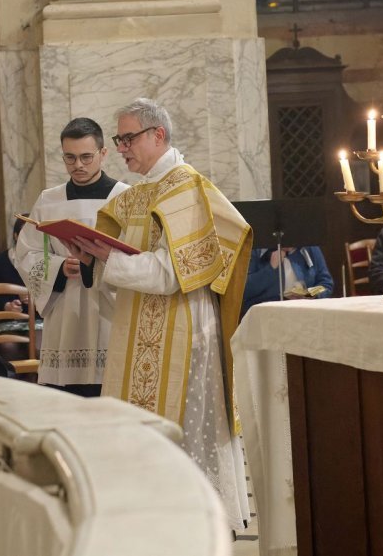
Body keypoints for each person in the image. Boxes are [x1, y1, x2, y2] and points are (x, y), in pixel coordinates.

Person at [72, 99, 251, 532]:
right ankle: (152, 518)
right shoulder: (134, 196)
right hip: (136, 329)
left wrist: (108, 260)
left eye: (127, 138)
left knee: (186, 430)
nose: (122, 148)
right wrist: (93, 258)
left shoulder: (185, 187)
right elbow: (123, 264)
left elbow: (174, 274)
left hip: (183, 330)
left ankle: (195, 520)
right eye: (118, 140)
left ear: (159, 135)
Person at [14, 117, 129, 396]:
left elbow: (134, 255)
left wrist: (96, 263)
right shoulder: (48, 200)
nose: (78, 165)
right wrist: (58, 267)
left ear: (103, 154)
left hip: (107, 309)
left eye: (86, 157)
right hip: (65, 312)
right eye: (70, 158)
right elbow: (27, 253)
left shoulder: (124, 198)